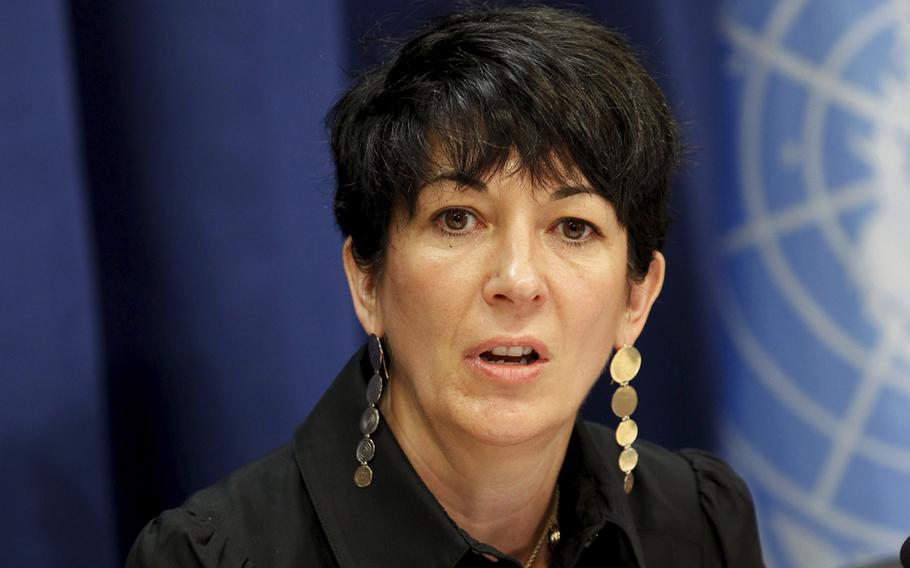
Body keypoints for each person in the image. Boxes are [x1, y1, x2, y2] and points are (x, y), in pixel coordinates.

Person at [127, 6, 764, 567]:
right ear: (367, 279)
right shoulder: (213, 558)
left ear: (637, 298)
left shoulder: (700, 523)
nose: (516, 280)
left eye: (573, 227)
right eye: (457, 219)